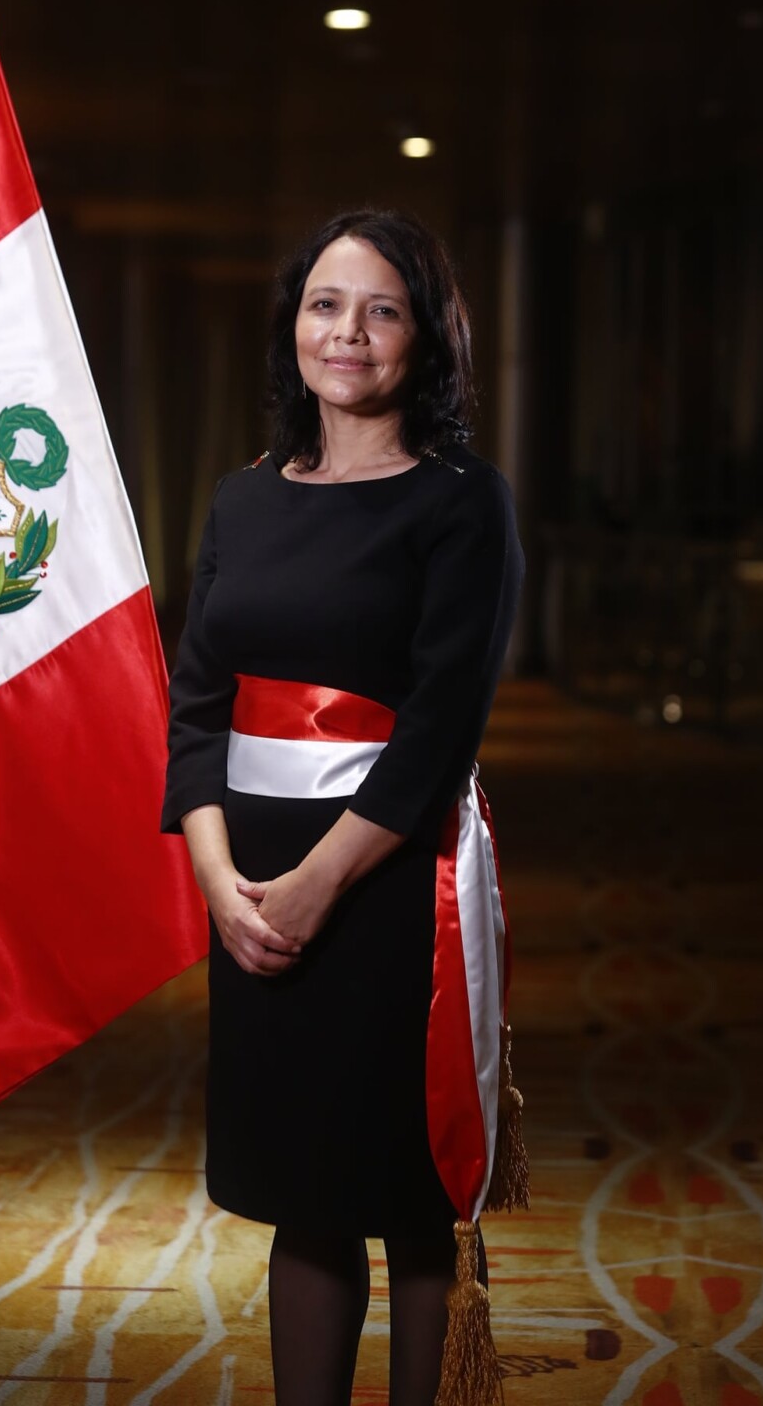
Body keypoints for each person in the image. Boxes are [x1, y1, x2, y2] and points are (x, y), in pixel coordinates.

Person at [161, 208, 525, 1406]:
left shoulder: (462, 503)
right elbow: (198, 708)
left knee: (399, 1188)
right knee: (304, 1192)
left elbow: (439, 731)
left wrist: (320, 882)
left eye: (382, 308)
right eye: (326, 304)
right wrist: (221, 881)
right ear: (294, 327)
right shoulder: (243, 498)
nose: (349, 333)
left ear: (426, 337)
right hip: (252, 888)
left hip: (386, 881)